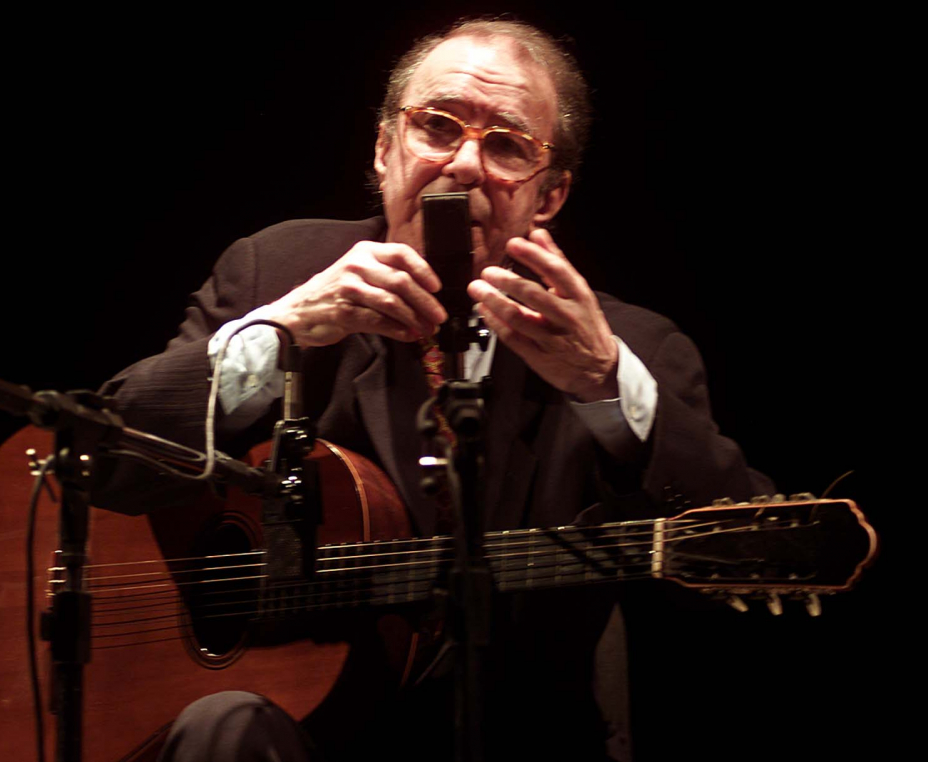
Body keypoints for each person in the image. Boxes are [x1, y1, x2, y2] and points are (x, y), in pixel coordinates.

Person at [97, 18, 771, 762]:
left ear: (549, 196)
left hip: (515, 736)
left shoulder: (628, 345)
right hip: (291, 730)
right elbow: (105, 464)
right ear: (385, 149)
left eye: (508, 146)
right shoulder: (276, 269)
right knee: (223, 728)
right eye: (438, 126)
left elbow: (741, 551)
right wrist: (282, 330)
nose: (465, 163)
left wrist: (606, 384)